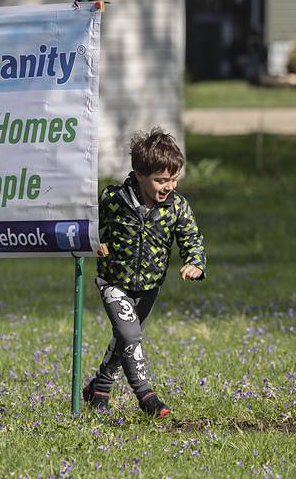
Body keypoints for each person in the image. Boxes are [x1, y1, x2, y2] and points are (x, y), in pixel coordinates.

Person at [84, 128, 206, 417]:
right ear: (139, 174)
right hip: (113, 282)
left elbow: (191, 237)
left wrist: (196, 262)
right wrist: (94, 243)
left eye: (174, 179)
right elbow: (90, 224)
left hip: (150, 285)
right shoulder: (114, 199)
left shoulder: (177, 207)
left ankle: (99, 388)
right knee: (130, 334)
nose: (169, 186)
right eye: (161, 180)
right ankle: (146, 396)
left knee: (125, 337)